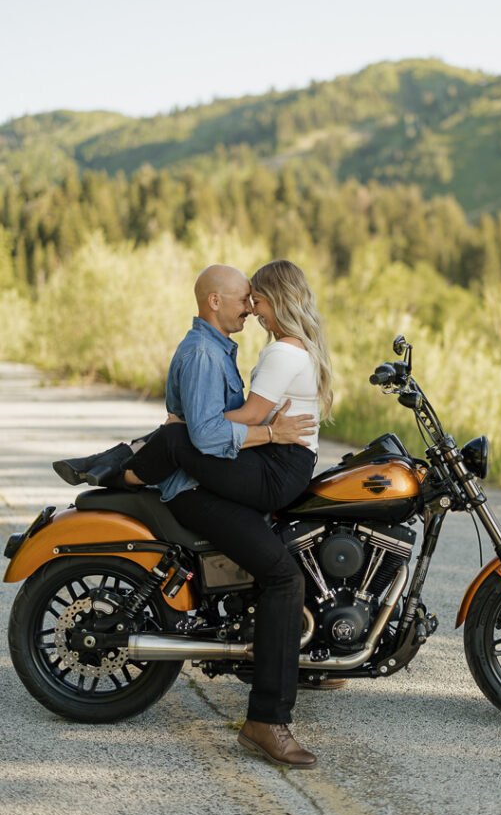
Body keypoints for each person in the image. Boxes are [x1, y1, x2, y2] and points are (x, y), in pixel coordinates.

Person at [54, 261, 334, 768]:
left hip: (234, 473)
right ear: (215, 302)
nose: (251, 307)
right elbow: (207, 436)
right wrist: (268, 434)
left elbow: (218, 428)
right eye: (245, 299)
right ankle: (266, 721)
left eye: (256, 300)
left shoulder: (226, 351)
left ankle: (124, 463)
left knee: (179, 437)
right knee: (282, 577)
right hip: (206, 486)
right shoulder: (210, 354)